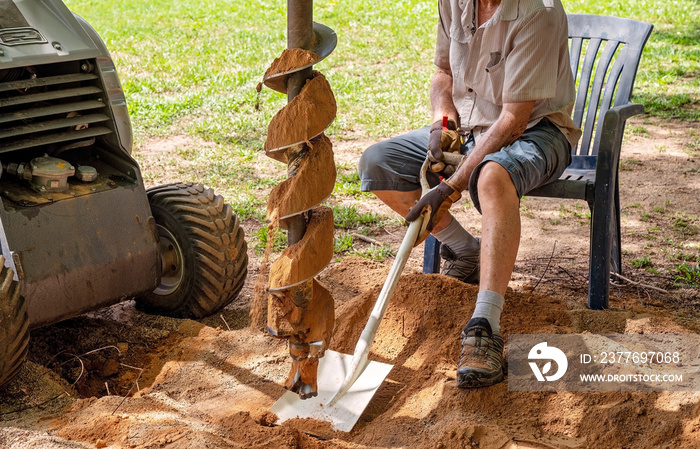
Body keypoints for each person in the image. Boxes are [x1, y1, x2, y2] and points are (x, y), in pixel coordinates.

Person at [358, 0, 581, 388]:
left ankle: (485, 325)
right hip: (474, 129)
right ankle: (465, 250)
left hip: (538, 132)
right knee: (379, 162)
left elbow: (513, 120)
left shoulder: (537, 12)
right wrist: (442, 124)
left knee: (491, 177)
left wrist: (450, 184)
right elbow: (444, 72)